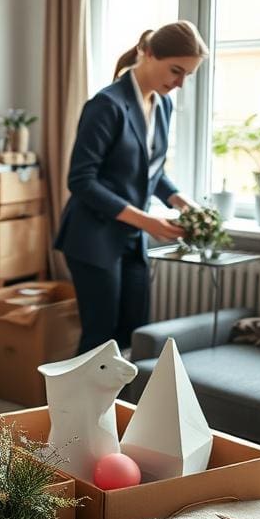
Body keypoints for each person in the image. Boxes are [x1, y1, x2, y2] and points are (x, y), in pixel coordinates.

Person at [55, 21, 208, 354]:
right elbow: (80, 180)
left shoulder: (163, 105)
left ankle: (122, 408)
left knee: (133, 333)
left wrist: (181, 202)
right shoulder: (107, 105)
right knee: (100, 340)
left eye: (188, 76)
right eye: (176, 71)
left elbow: (151, 170)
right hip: (92, 237)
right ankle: (79, 408)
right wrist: (148, 222)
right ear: (149, 54)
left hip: (131, 236)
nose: (180, 83)